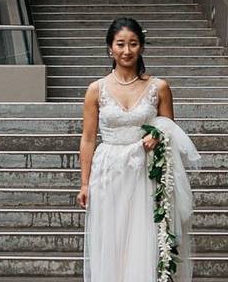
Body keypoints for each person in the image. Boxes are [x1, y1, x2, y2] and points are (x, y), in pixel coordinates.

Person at [78, 17, 201, 282]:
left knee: (143, 238)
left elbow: (170, 130)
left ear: (141, 47)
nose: (126, 50)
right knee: (111, 238)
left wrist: (158, 135)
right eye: (120, 44)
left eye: (133, 44)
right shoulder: (95, 90)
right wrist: (85, 183)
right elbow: (88, 139)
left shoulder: (159, 87)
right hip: (108, 170)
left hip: (146, 171)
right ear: (110, 48)